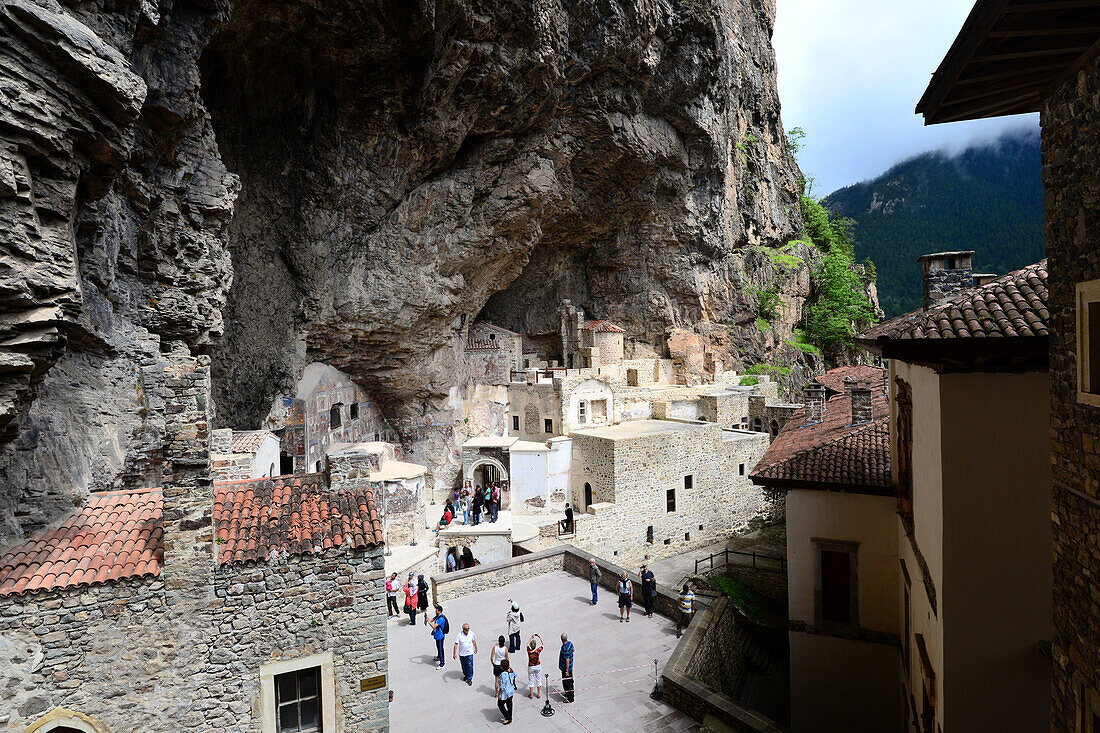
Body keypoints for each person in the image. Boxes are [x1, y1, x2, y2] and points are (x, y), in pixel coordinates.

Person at [497, 659, 516, 725]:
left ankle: (508, 718)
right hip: (511, 690)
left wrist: (499, 694)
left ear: (501, 667)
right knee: (509, 704)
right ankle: (510, 716)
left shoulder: (503, 675)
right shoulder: (511, 671)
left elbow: (502, 686)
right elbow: (515, 675)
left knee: (500, 704)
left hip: (505, 693)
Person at [558, 633, 575, 703]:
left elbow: (567, 660)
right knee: (569, 682)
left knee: (567, 683)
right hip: (569, 667)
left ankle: (570, 698)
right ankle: (568, 693)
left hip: (566, 669)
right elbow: (573, 649)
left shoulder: (565, 648)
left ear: (561, 639)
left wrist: (566, 671)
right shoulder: (570, 643)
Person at [526, 634, 544, 699]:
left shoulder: (529, 651)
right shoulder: (537, 650)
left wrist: (531, 637)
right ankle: (538, 694)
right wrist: (540, 637)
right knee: (538, 680)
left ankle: (531, 694)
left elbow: (527, 644)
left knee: (531, 680)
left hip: (531, 666)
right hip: (537, 666)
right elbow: (543, 645)